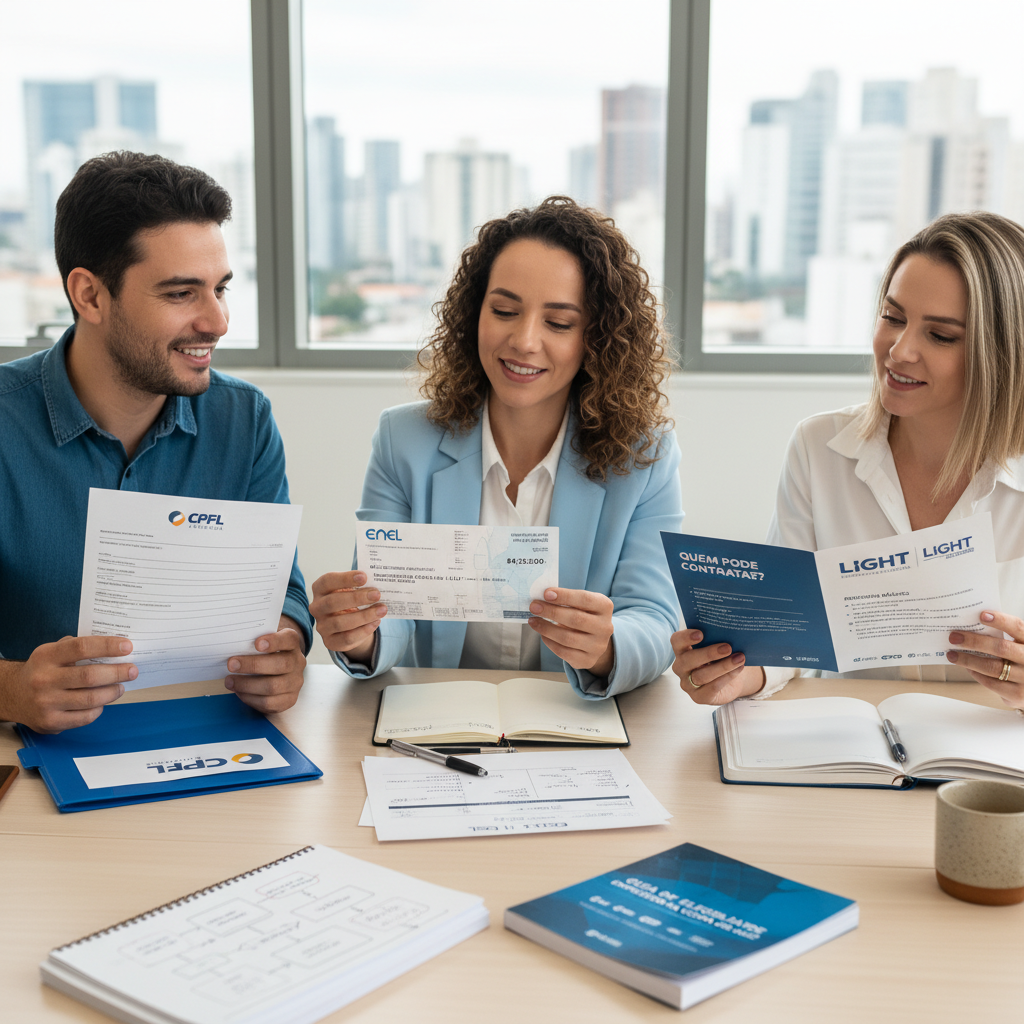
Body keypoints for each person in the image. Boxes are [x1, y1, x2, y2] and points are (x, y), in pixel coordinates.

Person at [311, 196, 682, 698]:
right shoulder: (404, 442)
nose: (524, 341)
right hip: (442, 722)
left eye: (559, 323)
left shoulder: (645, 456)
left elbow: (656, 618)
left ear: (597, 338)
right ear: (473, 314)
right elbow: (388, 608)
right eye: (504, 310)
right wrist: (359, 636)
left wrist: (607, 646)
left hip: (572, 724)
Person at [0, 151, 312, 734]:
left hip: (208, 740)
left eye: (220, 289)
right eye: (180, 294)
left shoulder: (243, 420)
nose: (217, 321)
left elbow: (282, 589)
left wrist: (285, 645)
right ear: (90, 295)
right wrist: (10, 690)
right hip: (31, 768)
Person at [673, 211, 1024, 710]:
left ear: (1001, 353)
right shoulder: (819, 448)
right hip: (855, 753)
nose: (899, 351)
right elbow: (786, 636)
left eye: (941, 335)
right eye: (893, 317)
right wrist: (738, 675)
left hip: (988, 768)